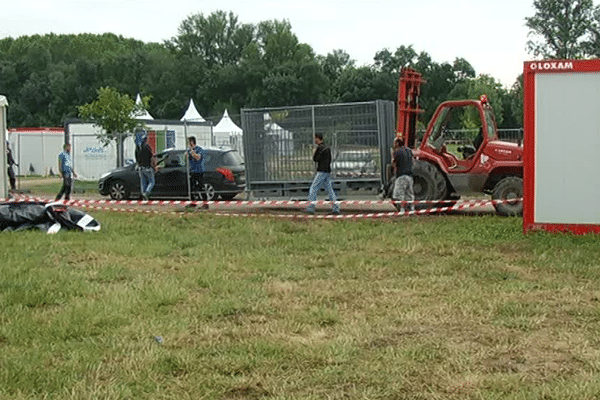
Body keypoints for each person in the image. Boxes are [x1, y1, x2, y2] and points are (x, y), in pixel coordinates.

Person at [306, 133, 340, 214]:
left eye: (315, 138)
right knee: (330, 189)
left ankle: (311, 207)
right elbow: (329, 159)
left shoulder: (320, 148)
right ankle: (336, 208)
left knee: (313, 188)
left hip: (321, 171)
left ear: (318, 138)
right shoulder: (327, 148)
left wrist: (314, 152)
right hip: (327, 171)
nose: (314, 140)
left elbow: (315, 159)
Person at [391, 137, 415, 213]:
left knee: (400, 194)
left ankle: (402, 209)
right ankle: (412, 209)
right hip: (410, 176)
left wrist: (392, 155)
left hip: (401, 176)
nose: (393, 144)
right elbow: (413, 162)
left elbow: (394, 164)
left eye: (394, 143)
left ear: (397, 144)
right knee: (410, 194)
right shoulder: (409, 151)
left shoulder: (397, 152)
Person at [135, 133, 156, 201]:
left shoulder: (137, 148)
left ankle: (144, 198)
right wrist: (154, 165)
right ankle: (146, 193)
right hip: (147, 167)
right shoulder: (147, 147)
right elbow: (152, 157)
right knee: (151, 182)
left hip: (140, 167)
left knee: (143, 183)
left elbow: (136, 158)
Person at [187, 136, 207, 206]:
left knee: (201, 187)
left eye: (189, 142)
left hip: (199, 171)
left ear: (192, 142)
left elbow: (198, 157)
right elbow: (186, 157)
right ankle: (193, 202)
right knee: (192, 187)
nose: (188, 144)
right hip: (192, 171)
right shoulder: (188, 150)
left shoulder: (199, 149)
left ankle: (205, 203)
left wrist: (192, 152)